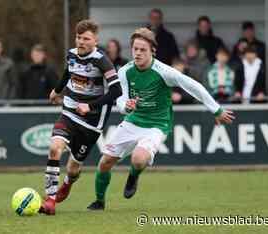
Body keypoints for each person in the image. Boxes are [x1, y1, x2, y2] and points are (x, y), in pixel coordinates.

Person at [86, 28, 234, 210]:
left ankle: (133, 175)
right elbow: (120, 98)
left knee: (139, 159)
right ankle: (99, 202)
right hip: (133, 121)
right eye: (135, 49)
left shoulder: (164, 71)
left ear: (152, 51)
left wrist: (216, 109)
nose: (138, 53)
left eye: (143, 50)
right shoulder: (125, 71)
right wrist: (126, 106)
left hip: (157, 125)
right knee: (104, 163)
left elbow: (193, 86)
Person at [39, 19, 122, 215]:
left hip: (92, 122)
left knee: (74, 166)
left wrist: (90, 105)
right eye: (78, 37)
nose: (81, 42)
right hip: (69, 111)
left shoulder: (102, 61)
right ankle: (50, 200)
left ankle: (67, 183)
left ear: (95, 40)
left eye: (86, 38)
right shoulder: (72, 54)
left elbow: (116, 90)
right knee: (54, 149)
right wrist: (57, 90)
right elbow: (68, 72)